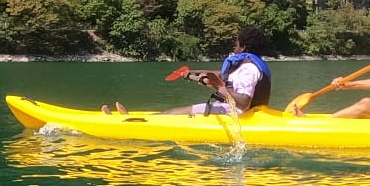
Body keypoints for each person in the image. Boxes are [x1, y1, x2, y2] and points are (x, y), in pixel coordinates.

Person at [108, 26, 271, 116]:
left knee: (170, 114)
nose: (233, 47)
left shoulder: (248, 69)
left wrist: (217, 86)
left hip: (237, 114)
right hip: (240, 112)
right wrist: (194, 72)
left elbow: (243, 102)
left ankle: (129, 122)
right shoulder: (248, 65)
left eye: (236, 44)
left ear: (244, 47)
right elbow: (223, 76)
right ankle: (132, 118)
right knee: (168, 113)